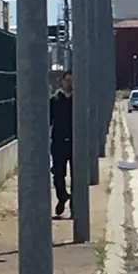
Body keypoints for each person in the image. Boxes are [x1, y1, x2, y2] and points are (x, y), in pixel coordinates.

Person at [50, 70, 73, 216]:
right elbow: (48, 120)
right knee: (58, 174)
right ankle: (62, 197)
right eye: (67, 80)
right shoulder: (55, 100)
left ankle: (75, 205)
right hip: (58, 142)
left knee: (77, 175)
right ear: (62, 81)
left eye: (72, 81)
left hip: (75, 143)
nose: (69, 83)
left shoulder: (78, 100)